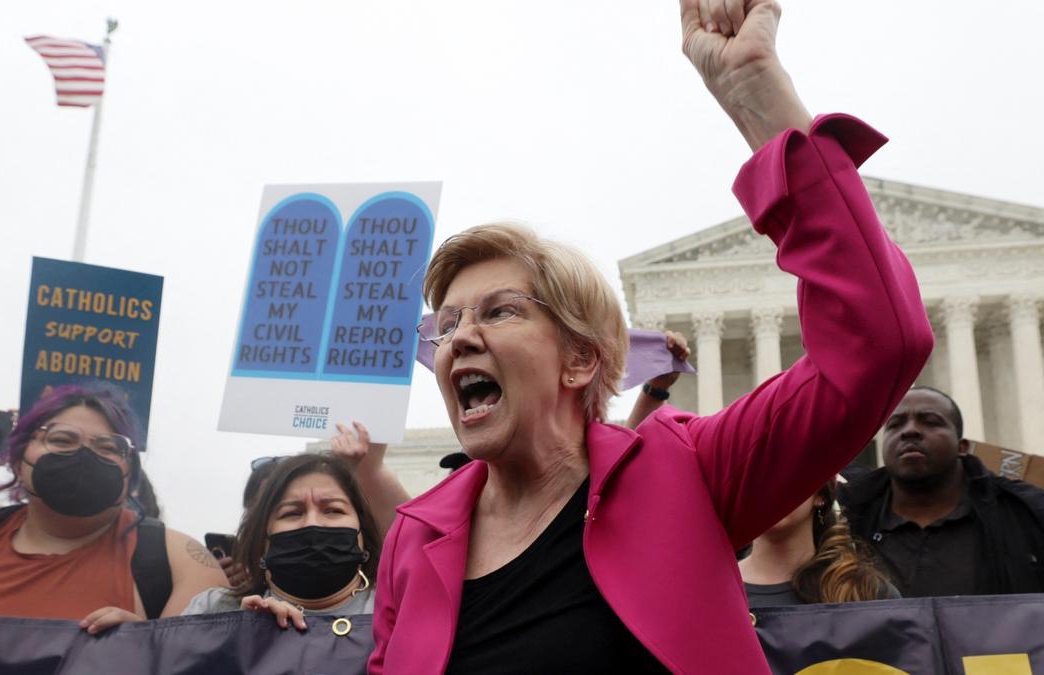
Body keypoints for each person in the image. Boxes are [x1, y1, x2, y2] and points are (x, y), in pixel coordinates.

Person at [368, 2, 935, 672]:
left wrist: (757, 96)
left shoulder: (688, 470)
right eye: (450, 322)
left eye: (499, 312)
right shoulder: (415, 535)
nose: (459, 339)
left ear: (580, 358)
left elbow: (878, 342)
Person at [0, 385, 227, 633]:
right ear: (19, 460)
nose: (83, 454)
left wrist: (144, 650)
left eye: (107, 446)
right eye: (61, 439)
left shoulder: (180, 559)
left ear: (129, 468)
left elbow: (202, 661)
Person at [331, 331, 691, 537]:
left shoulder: (586, 504)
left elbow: (621, 456)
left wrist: (655, 390)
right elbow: (403, 528)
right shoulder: (451, 537)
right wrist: (370, 465)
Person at [839, 386, 1044, 597]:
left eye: (930, 422)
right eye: (895, 424)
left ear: (962, 447)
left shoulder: (1025, 514)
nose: (909, 431)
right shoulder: (843, 520)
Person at [182, 453, 380, 630]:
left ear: (363, 531)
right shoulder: (212, 608)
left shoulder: (395, 610)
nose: (312, 524)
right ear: (262, 538)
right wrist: (237, 636)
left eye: (333, 510)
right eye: (292, 513)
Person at [739, 481, 899, 607]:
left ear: (820, 494)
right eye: (754, 475)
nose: (769, 489)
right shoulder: (717, 590)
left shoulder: (867, 592)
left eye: (785, 472)